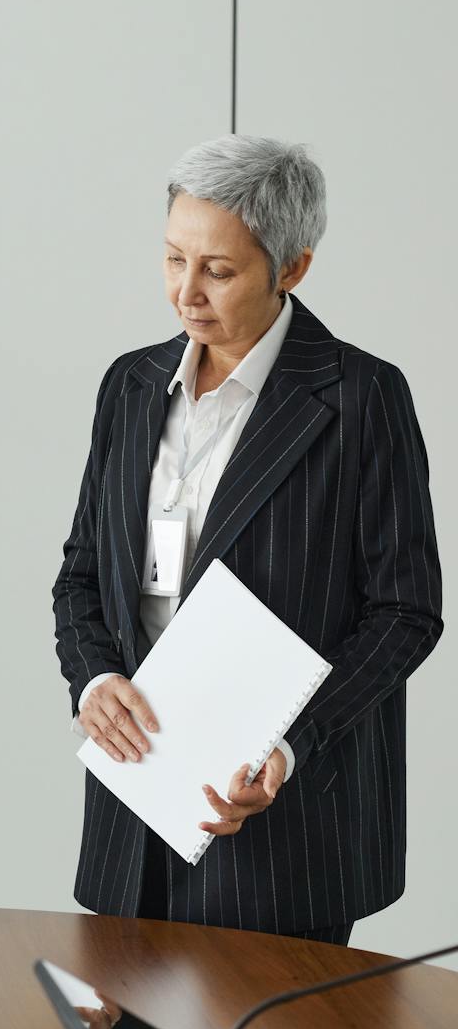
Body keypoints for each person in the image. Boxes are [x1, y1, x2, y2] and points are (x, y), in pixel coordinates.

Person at [53, 136, 442, 945]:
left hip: (284, 829)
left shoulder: (363, 396)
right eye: (172, 260)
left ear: (292, 269)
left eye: (218, 271)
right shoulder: (129, 386)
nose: (185, 294)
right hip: (134, 816)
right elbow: (81, 575)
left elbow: (406, 611)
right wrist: (94, 682)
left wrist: (293, 743)